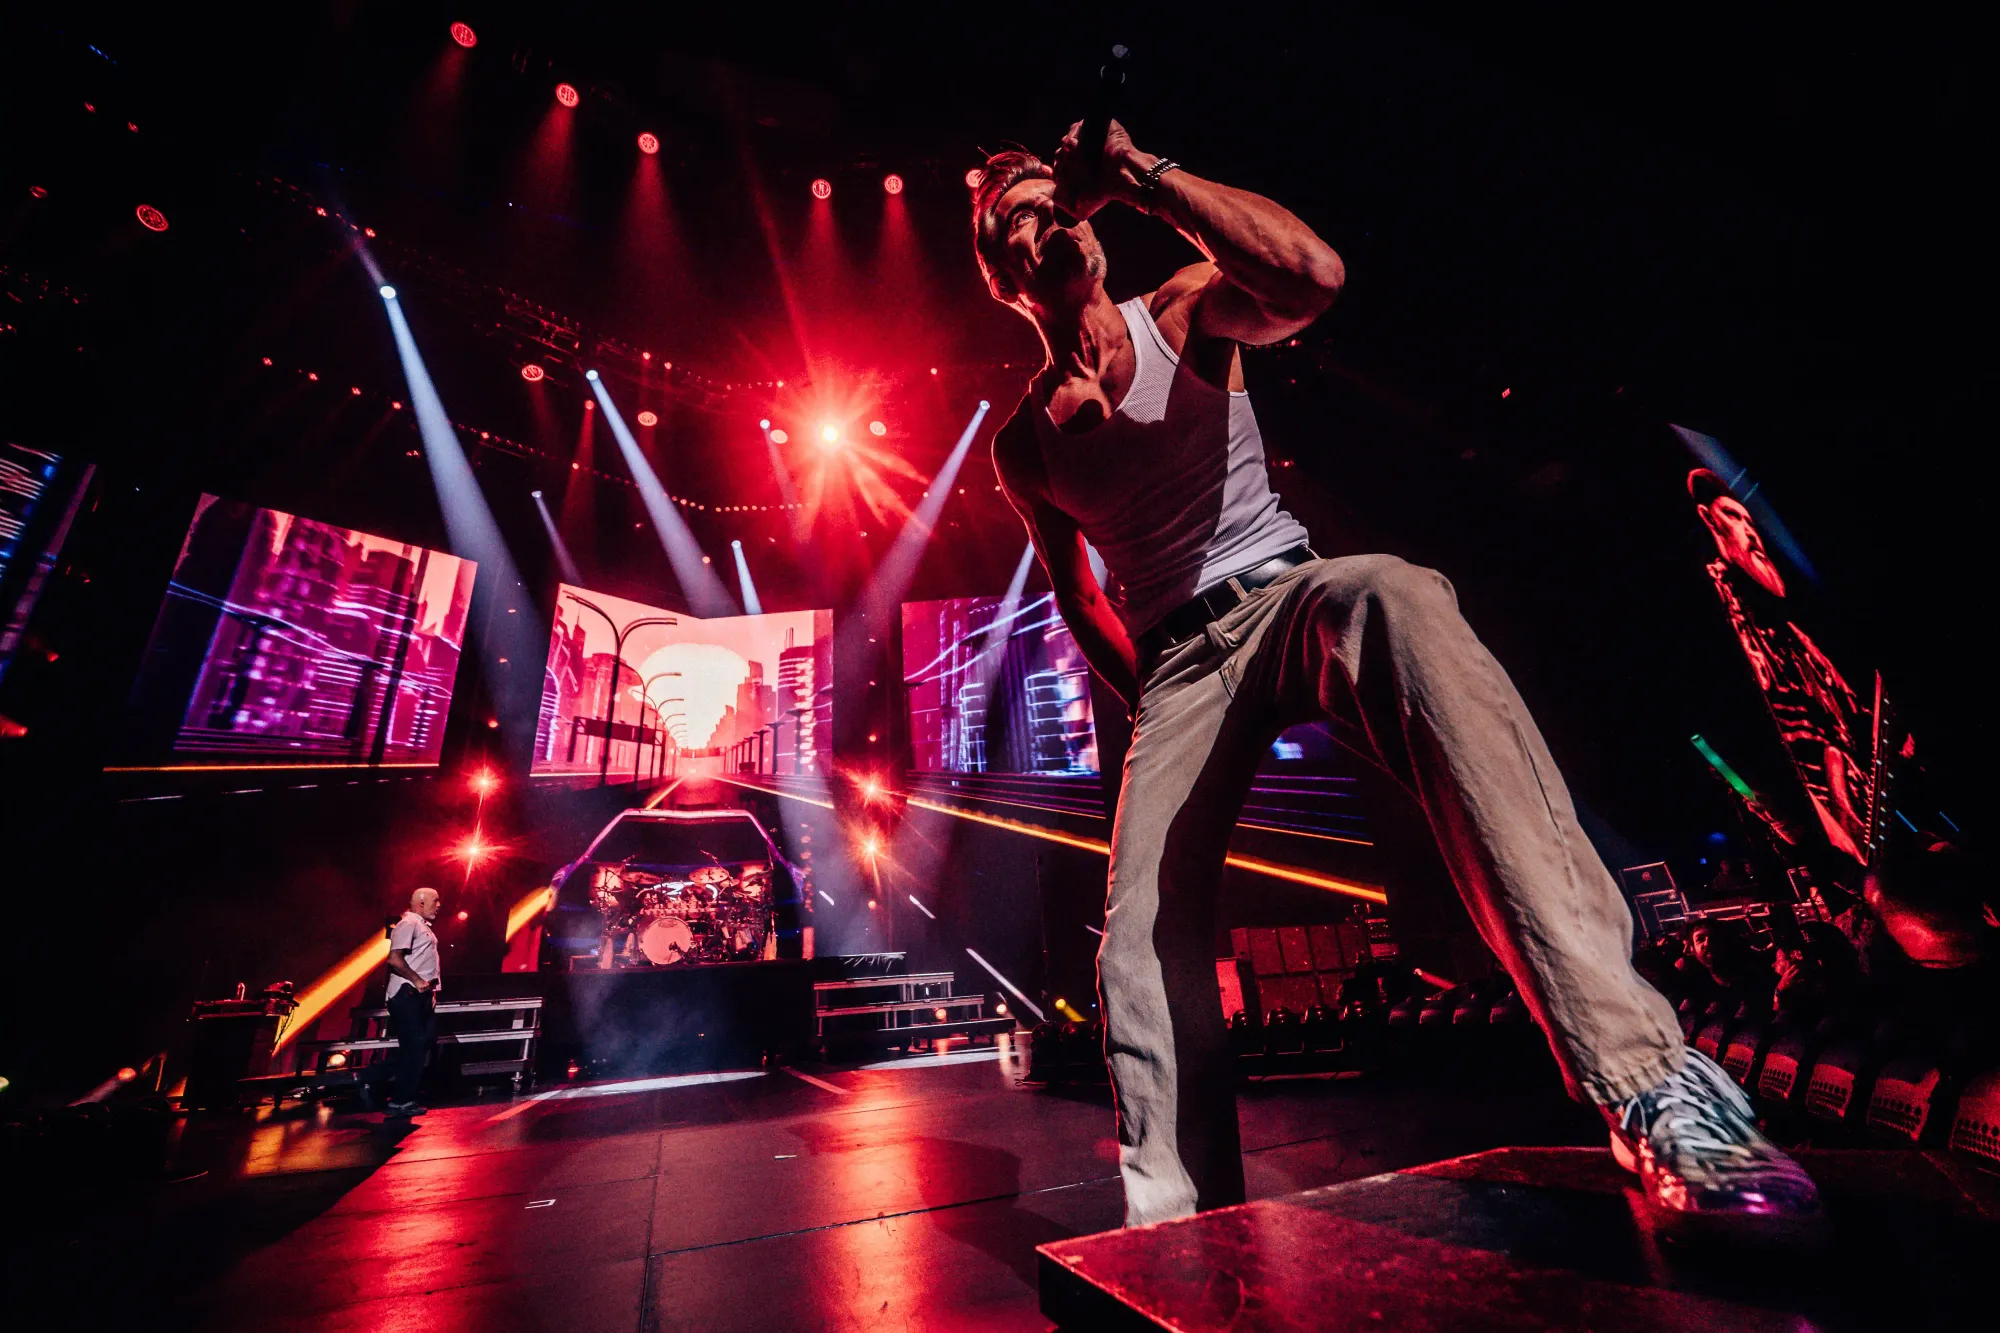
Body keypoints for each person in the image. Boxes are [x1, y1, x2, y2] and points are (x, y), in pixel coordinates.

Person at [974, 122, 1818, 1229]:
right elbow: (1080, 597)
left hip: (1286, 592)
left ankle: (1648, 1082)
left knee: (1395, 590)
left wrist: (1140, 174)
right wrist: (1162, 716)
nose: (1046, 222)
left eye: (1054, 201)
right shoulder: (1024, 444)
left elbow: (1312, 277)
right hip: (1178, 664)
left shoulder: (1178, 306)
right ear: (999, 279)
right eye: (1018, 218)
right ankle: (1178, 1227)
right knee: (1139, 935)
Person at [377, 886, 443, 1118]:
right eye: (435, 901)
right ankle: (400, 1100)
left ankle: (371, 1079)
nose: (439, 906)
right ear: (421, 903)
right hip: (407, 993)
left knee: (422, 1043)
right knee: (415, 1046)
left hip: (420, 994)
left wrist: (431, 992)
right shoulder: (408, 924)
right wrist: (417, 981)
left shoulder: (422, 926)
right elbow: (394, 959)